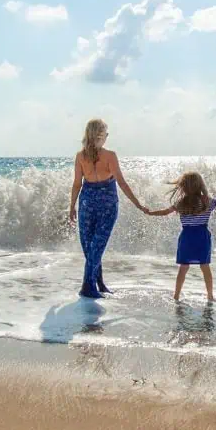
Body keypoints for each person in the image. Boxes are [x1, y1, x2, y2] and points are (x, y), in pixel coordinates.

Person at [69, 119, 147, 299]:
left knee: (93, 246)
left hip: (88, 201)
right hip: (106, 203)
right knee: (94, 246)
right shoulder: (109, 155)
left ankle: (98, 283)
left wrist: (72, 206)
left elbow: (76, 184)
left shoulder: (81, 156)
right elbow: (121, 182)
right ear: (100, 135)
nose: (107, 136)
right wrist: (138, 204)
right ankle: (88, 286)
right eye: (106, 133)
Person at [146, 171, 216, 302]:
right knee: (205, 267)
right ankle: (210, 296)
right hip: (202, 237)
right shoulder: (207, 201)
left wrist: (150, 213)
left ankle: (176, 295)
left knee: (183, 268)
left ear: (183, 187)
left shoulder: (180, 203)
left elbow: (165, 212)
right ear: (200, 185)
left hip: (187, 237)